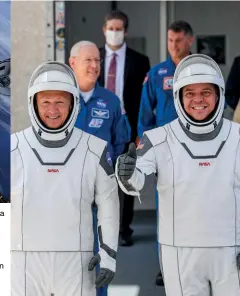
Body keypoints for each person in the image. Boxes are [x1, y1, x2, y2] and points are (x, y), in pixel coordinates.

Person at [116, 53, 240, 295]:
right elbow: (137, 182)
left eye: (206, 92)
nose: (198, 100)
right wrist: (127, 173)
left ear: (218, 94)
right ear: (178, 97)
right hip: (180, 251)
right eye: (190, 93)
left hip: (231, 250)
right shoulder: (158, 138)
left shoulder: (237, 136)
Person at [10, 61, 119, 296]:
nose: (53, 110)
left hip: (77, 263)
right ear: (33, 104)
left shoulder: (95, 149)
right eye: (46, 102)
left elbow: (108, 204)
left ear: (73, 104)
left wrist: (108, 255)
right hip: (23, 263)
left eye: (60, 102)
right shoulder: (13, 148)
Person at [69, 40, 130, 296]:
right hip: (66, 192)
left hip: (99, 192)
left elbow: (120, 142)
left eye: (97, 60)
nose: (95, 66)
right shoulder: (59, 99)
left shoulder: (111, 101)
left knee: (101, 255)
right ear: (72, 63)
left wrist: (109, 175)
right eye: (88, 60)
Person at [136, 20, 194, 286]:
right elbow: (145, 115)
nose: (174, 46)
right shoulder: (157, 74)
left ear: (190, 41)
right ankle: (166, 265)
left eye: (179, 40)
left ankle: (194, 264)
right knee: (167, 212)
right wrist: (148, 148)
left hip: (196, 153)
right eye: (171, 40)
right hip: (166, 154)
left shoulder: (201, 70)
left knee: (196, 210)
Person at [98, 10, 150, 247]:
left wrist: (140, 130)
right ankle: (99, 227)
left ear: (125, 31)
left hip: (126, 124)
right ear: (104, 30)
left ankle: (123, 229)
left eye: (119, 29)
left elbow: (142, 99)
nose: (115, 33)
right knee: (97, 175)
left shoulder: (140, 61)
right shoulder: (94, 58)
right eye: (111, 28)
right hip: (98, 123)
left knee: (125, 174)